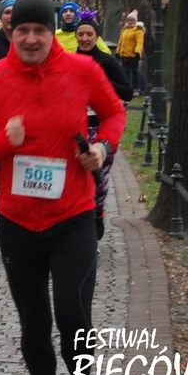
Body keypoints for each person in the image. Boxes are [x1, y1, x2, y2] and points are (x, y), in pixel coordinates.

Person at [0, 0, 126, 375]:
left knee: (75, 317)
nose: (31, 39)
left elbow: (115, 112)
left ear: (53, 33)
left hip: (73, 216)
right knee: (34, 324)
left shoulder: (83, 70)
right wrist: (4, 142)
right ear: (10, 32)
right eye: (22, 31)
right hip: (18, 222)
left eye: (40, 31)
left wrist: (102, 148)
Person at [73, 13, 133, 239]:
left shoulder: (107, 62)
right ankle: (81, 229)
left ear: (96, 36)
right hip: (77, 130)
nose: (85, 38)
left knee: (99, 181)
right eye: (81, 34)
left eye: (89, 34)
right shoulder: (70, 61)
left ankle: (97, 214)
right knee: (77, 180)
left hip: (101, 130)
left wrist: (101, 83)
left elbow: (127, 92)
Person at [115, 10, 145, 94]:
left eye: (131, 20)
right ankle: (127, 88)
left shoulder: (138, 30)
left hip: (133, 55)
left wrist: (137, 53)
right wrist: (118, 52)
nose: (130, 22)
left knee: (134, 72)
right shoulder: (124, 30)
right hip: (124, 55)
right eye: (128, 20)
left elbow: (139, 42)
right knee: (125, 73)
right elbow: (120, 42)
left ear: (135, 21)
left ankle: (136, 89)